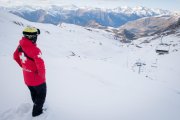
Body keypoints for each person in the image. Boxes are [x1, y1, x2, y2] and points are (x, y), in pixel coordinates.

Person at [13, 26, 46, 117]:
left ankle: (36, 106)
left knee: (33, 93)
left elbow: (15, 56)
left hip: (27, 78)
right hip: (37, 80)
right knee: (41, 96)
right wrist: (42, 77)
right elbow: (41, 66)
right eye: (36, 35)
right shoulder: (35, 50)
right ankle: (37, 113)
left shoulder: (20, 46)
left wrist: (23, 66)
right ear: (33, 37)